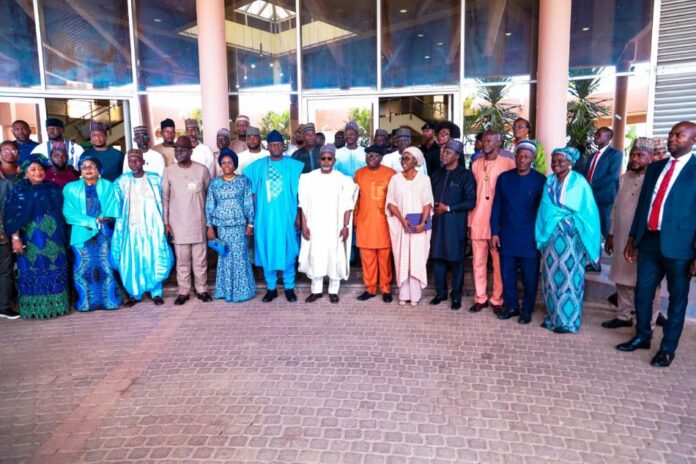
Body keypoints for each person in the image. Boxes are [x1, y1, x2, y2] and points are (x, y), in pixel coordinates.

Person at [617, 122, 696, 367]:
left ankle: (667, 348)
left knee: (677, 298)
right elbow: (644, 207)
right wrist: (632, 238)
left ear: (693, 140)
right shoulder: (656, 168)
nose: (672, 138)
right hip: (650, 240)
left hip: (681, 246)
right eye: (671, 134)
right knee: (643, 291)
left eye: (679, 135)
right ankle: (642, 335)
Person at [535, 147, 600, 334]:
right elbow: (545, 209)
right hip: (551, 239)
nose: (555, 164)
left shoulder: (580, 183)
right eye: (553, 160)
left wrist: (568, 221)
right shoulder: (549, 182)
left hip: (572, 239)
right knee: (551, 280)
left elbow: (588, 212)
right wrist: (553, 222)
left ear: (570, 162)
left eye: (560, 161)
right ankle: (554, 317)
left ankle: (568, 321)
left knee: (570, 279)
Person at [603, 138, 661, 329]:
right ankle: (624, 315)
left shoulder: (656, 180)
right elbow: (615, 207)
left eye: (640, 155)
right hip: (621, 235)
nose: (634, 158)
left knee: (647, 281)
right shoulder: (624, 178)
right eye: (633, 154)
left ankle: (649, 323)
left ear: (651, 157)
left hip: (644, 239)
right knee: (622, 277)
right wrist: (611, 235)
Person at [4, 156, 70, 318]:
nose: (38, 172)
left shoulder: (53, 188)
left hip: (55, 238)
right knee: (34, 269)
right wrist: (15, 239)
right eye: (33, 169)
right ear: (26, 173)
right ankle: (35, 308)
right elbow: (12, 218)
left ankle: (57, 304)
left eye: (40, 169)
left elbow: (63, 213)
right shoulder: (19, 192)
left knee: (56, 267)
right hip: (31, 239)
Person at [245, 130, 304, 302]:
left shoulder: (293, 165)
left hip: (287, 217)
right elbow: (248, 189)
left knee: (288, 252)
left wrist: (299, 216)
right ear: (268, 147)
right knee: (267, 251)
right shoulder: (258, 166)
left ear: (283, 146)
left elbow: (301, 194)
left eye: (279, 144)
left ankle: (289, 287)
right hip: (265, 219)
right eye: (272, 145)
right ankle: (271, 288)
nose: (276, 147)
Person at [490, 140, 546, 323]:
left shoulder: (540, 180)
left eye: (526, 157)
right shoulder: (504, 178)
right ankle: (512, 306)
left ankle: (527, 310)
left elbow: (544, 212)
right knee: (507, 275)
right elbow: (496, 205)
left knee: (530, 277)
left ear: (532, 159)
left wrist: (542, 236)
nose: (522, 160)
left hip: (530, 238)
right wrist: (494, 232)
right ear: (515, 157)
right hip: (507, 235)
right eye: (520, 156)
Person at [63, 154, 127, 311]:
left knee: (105, 267)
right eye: (84, 166)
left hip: (103, 234)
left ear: (99, 169)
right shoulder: (70, 188)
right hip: (81, 233)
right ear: (80, 170)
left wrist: (99, 220)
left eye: (92, 166)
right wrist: (89, 222)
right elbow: (68, 211)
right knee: (82, 268)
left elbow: (113, 208)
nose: (88, 169)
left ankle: (109, 301)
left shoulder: (109, 186)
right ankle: (85, 303)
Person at [111, 149, 173, 306]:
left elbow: (166, 202)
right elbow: (116, 205)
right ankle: (135, 294)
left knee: (154, 257)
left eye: (136, 160)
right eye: (130, 160)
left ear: (143, 161)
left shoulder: (155, 179)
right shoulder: (121, 182)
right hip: (131, 229)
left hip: (153, 228)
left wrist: (165, 223)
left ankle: (156, 293)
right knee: (133, 260)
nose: (134, 163)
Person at [298, 144, 358, 303]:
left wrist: (345, 227)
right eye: (323, 158)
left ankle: (333, 291)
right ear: (319, 160)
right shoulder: (308, 178)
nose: (326, 161)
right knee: (315, 256)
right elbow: (302, 204)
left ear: (334, 160)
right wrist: (304, 225)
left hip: (335, 227)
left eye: (329, 159)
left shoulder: (343, 179)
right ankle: (316, 291)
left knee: (334, 258)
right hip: (315, 226)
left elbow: (348, 206)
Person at [468, 131, 516, 313]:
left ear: (499, 142)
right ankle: (480, 298)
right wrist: (469, 222)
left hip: (499, 223)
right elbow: (472, 195)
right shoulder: (475, 164)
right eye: (483, 140)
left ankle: (497, 299)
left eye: (489, 140)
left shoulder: (509, 163)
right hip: (478, 220)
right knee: (478, 262)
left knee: (498, 264)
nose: (484, 143)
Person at [162, 136, 212, 305]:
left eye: (182, 150)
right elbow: (165, 198)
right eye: (176, 150)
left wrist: (209, 223)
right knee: (182, 261)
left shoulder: (202, 170)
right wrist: (166, 223)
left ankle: (202, 289)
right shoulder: (169, 171)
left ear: (191, 151)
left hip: (198, 223)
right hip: (178, 224)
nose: (179, 153)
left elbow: (208, 196)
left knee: (200, 260)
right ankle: (183, 291)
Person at [429, 140, 476, 311]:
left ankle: (456, 296)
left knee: (456, 261)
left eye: (447, 152)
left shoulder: (465, 175)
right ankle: (440, 293)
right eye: (443, 151)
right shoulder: (436, 174)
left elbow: (470, 201)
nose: (443, 154)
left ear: (457, 156)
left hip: (454, 223)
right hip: (436, 222)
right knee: (438, 258)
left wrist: (448, 208)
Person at [206, 149, 256, 302]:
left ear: (235, 164)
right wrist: (209, 226)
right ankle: (226, 290)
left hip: (239, 225)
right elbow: (209, 205)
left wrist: (250, 223)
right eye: (223, 162)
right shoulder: (214, 183)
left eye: (230, 162)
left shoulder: (244, 181)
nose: (226, 165)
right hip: (222, 226)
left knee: (240, 256)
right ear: (220, 165)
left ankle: (242, 291)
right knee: (225, 257)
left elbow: (248, 202)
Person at [386, 147, 433, 306]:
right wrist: (402, 221)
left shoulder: (424, 179)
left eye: (407, 158)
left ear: (416, 161)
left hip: (418, 227)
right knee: (402, 256)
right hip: (402, 226)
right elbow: (391, 204)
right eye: (402, 159)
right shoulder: (395, 179)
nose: (403, 161)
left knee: (417, 257)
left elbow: (428, 203)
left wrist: (422, 224)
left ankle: (415, 295)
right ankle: (403, 294)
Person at [354, 145, 396, 303]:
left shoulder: (391, 174)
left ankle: (386, 289)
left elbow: (395, 200)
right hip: (364, 223)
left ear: (381, 157)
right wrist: (355, 220)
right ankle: (370, 289)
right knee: (367, 258)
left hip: (384, 223)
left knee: (384, 259)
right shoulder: (359, 174)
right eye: (368, 155)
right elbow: (355, 200)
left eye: (375, 155)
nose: (371, 158)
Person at [578, 126, 622, 239]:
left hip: (604, 197)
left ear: (609, 137)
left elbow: (612, 175)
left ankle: (608, 251)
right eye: (595, 134)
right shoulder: (592, 156)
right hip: (589, 197)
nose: (595, 136)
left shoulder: (615, 154)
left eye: (599, 134)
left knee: (605, 226)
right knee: (591, 226)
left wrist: (591, 186)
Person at [0, 141, 22, 319]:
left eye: (14, 150)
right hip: (4, 229)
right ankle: (4, 306)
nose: (10, 153)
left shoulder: (23, 173)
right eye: (6, 150)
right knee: (5, 269)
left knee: (23, 265)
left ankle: (23, 299)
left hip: (25, 226)